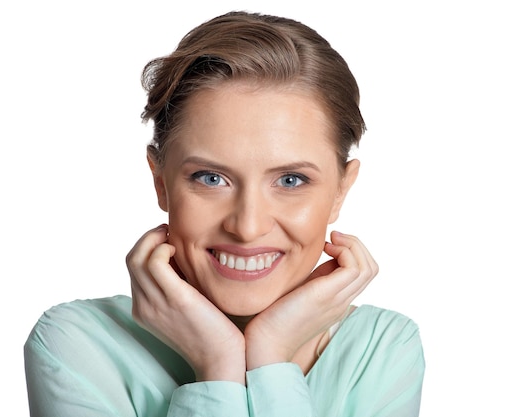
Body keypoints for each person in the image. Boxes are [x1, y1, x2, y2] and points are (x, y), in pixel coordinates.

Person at [24, 10, 425, 416]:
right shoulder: (77, 343)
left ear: (341, 189)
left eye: (290, 180)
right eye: (211, 178)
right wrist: (218, 362)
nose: (248, 227)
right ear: (160, 181)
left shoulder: (382, 348)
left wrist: (270, 355)